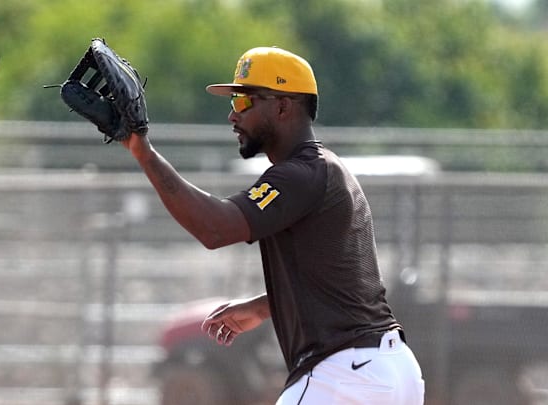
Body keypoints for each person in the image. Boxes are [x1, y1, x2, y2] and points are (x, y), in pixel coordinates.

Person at [121, 46, 424, 404]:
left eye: (244, 102)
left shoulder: (301, 175)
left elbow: (214, 229)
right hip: (388, 369)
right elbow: (338, 280)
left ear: (283, 106)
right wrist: (266, 305)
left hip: (345, 374)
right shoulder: (325, 170)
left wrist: (143, 151)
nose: (233, 116)